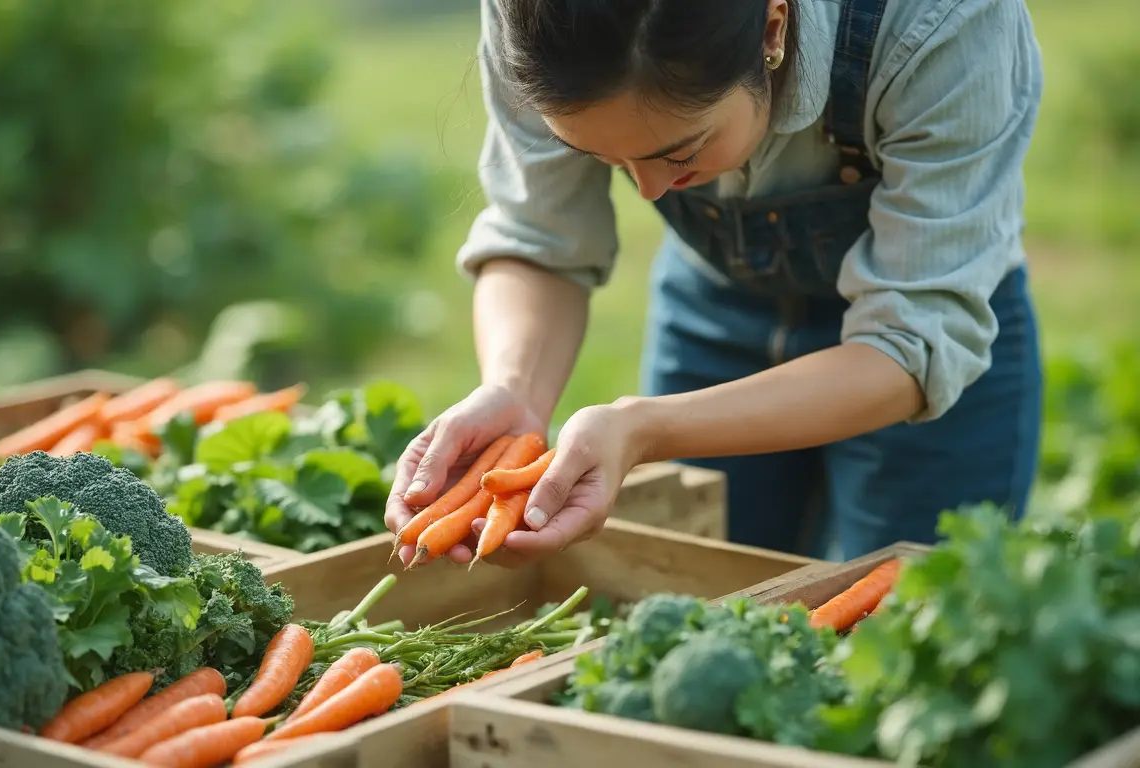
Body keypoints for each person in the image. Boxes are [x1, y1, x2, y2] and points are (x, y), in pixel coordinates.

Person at [384, 0, 1045, 566]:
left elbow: (910, 343)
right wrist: (514, 390)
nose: (646, 189)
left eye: (679, 152)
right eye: (601, 156)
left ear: (771, 29)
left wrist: (644, 428)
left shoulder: (943, 23)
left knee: (901, 639)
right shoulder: (542, 21)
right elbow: (541, 238)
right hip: (712, 309)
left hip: (930, 344)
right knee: (702, 620)